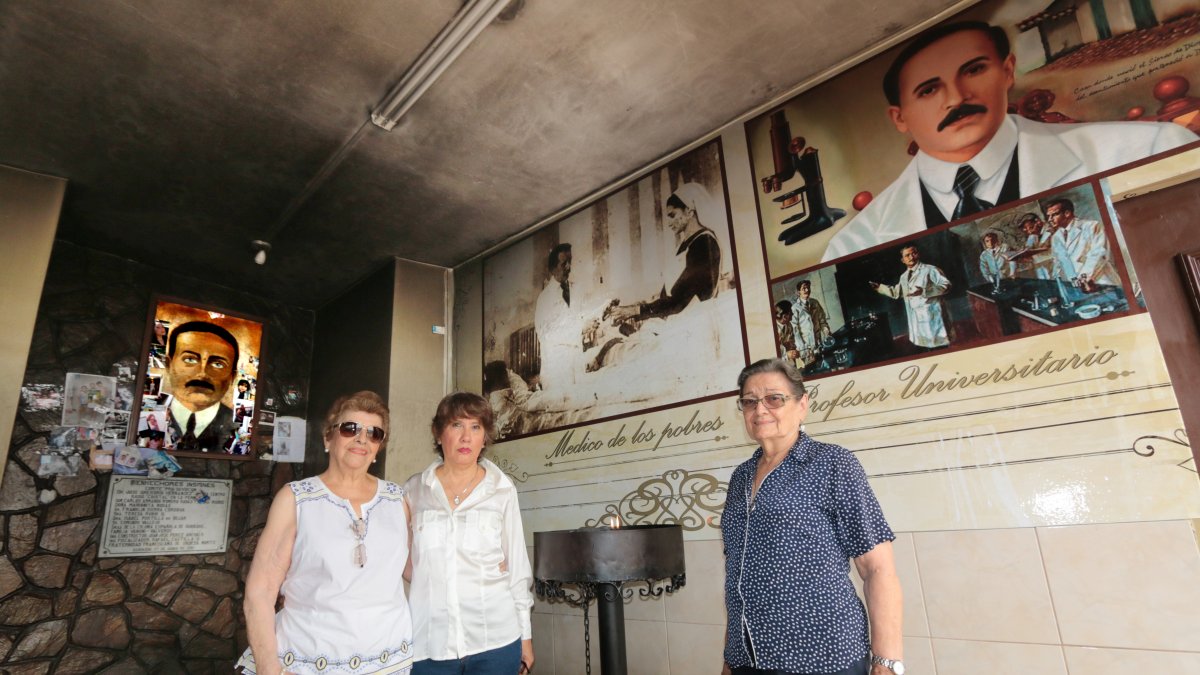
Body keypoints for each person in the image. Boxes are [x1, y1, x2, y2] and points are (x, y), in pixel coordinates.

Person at [822, 21, 1197, 261]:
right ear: (900, 118)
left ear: (1007, 71)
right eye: (928, 89)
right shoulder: (855, 244)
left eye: (973, 70)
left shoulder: (1151, 149)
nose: (956, 98)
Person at [722, 359, 903, 675]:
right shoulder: (740, 477)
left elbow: (877, 568)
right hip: (748, 659)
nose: (760, 410)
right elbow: (739, 577)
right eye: (749, 402)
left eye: (773, 399)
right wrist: (730, 658)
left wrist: (886, 663)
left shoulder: (833, 463)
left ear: (802, 404)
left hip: (822, 656)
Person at [240, 391, 413, 675]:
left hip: (390, 660)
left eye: (374, 433)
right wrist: (268, 666)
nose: (361, 439)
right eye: (350, 428)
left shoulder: (398, 499)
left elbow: (417, 569)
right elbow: (260, 591)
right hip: (308, 660)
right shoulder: (296, 499)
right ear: (327, 438)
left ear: (379, 447)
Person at [405, 392, 534, 675]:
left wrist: (525, 635)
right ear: (438, 434)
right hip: (428, 643)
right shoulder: (413, 491)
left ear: (485, 437)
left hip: (496, 640)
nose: (466, 437)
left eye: (475, 427)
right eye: (456, 425)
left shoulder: (502, 490)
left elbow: (517, 568)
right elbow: (402, 560)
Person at [609, 183, 721, 322]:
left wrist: (635, 311)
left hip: (697, 321)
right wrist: (634, 313)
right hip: (679, 320)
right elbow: (667, 294)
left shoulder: (704, 242)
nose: (669, 223)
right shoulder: (683, 246)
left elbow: (680, 300)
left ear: (690, 211)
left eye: (672, 215)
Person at [163, 321, 239, 452]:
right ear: (169, 365)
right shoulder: (150, 413)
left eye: (218, 364)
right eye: (190, 359)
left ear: (232, 377)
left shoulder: (236, 425)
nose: (202, 374)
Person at [870, 245, 951, 349]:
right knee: (924, 348)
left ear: (918, 254)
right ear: (902, 260)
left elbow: (946, 286)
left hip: (931, 317)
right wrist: (879, 288)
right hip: (916, 319)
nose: (911, 257)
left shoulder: (930, 269)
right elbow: (897, 292)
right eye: (907, 255)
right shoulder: (903, 277)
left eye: (914, 253)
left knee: (938, 347)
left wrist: (924, 291)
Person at [534, 243, 588, 392]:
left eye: (570, 262)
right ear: (552, 269)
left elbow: (582, 316)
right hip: (557, 368)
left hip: (576, 363)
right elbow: (546, 335)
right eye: (564, 263)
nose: (569, 267)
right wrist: (580, 329)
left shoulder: (576, 290)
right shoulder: (544, 299)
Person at [1046, 197, 1120, 289]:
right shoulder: (1056, 237)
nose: (1049, 219)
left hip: (1099, 281)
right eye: (1048, 216)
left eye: (1054, 215)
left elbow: (1099, 254)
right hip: (1075, 287)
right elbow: (1057, 262)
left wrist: (1083, 278)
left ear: (1067, 213)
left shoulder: (1091, 226)